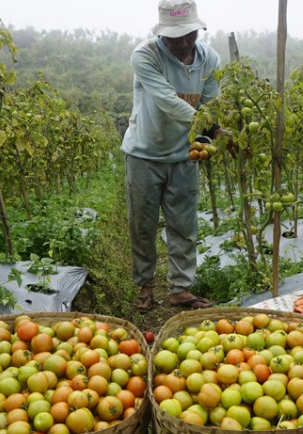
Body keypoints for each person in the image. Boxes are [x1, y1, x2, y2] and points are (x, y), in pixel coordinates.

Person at [121, 0, 226, 311]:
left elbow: (210, 105)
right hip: (144, 154)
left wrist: (206, 136)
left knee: (183, 225)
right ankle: (145, 287)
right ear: (162, 34)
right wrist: (209, 128)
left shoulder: (209, 58)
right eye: (175, 37)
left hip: (184, 157)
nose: (182, 43)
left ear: (197, 30)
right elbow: (167, 100)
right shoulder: (145, 55)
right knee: (143, 224)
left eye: (189, 35)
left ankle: (180, 289)